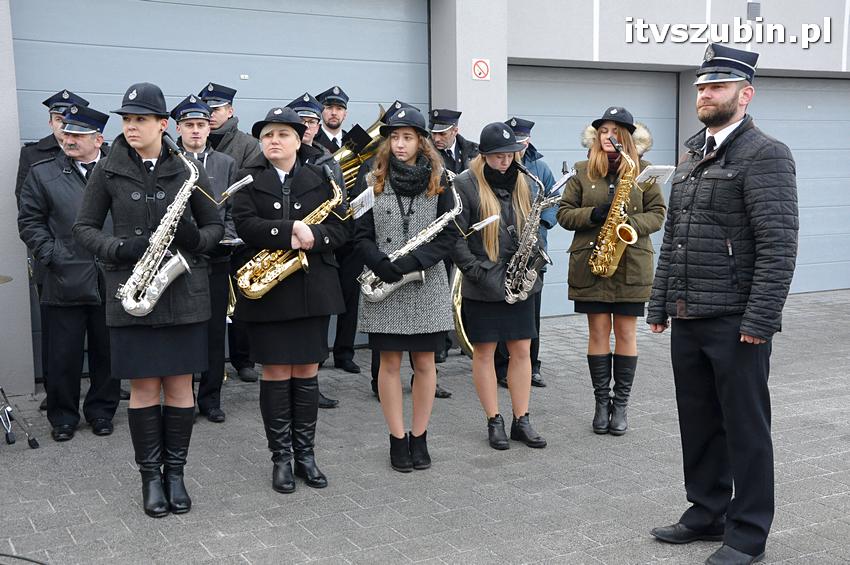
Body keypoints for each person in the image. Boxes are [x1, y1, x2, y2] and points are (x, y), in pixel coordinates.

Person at [647, 44, 798, 565]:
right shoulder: (692, 158)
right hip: (689, 314)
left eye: (716, 87)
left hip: (737, 321)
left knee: (746, 427)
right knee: (699, 420)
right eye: (701, 87)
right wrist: (660, 303)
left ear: (744, 94)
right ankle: (707, 511)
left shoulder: (766, 154)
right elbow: (675, 239)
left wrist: (761, 319)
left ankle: (748, 532)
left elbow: (779, 244)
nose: (705, 94)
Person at [73, 82, 224, 518]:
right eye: (126, 119)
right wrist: (119, 249)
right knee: (143, 388)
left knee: (179, 386)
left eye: (140, 119)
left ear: (163, 124)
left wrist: (194, 239)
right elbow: (83, 229)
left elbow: (215, 227)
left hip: (183, 293)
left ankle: (176, 474)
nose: (131, 126)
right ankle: (150, 478)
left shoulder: (189, 168)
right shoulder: (107, 169)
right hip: (133, 290)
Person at [231, 107, 348, 494]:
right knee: (277, 374)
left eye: (283, 134)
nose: (274, 141)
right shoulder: (248, 179)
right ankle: (281, 458)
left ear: (299, 140)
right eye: (267, 135)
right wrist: (289, 230)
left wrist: (317, 236)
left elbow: (343, 227)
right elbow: (245, 225)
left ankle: (306, 456)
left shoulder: (322, 177)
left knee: (307, 374)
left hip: (313, 290)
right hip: (270, 294)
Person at [355, 107, 457, 472]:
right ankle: (397, 439)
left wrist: (413, 263)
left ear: (421, 141)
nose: (399, 144)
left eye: (407, 137)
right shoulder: (370, 181)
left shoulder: (443, 181)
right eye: (394, 137)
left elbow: (449, 234)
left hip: (425, 283)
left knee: (426, 363)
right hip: (383, 282)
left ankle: (420, 436)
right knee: (389, 363)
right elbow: (360, 234)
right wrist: (381, 262)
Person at [556, 107, 665, 435]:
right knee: (598, 332)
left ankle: (621, 406)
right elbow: (563, 215)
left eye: (617, 131)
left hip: (631, 264)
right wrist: (595, 214)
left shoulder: (644, 172)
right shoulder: (581, 171)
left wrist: (628, 222)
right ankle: (601, 404)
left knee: (628, 333)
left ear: (627, 138)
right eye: (604, 131)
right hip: (594, 263)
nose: (609, 137)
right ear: (596, 136)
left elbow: (658, 214)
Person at [18, 104, 120, 441]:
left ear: (98, 139)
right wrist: (52, 255)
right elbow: (30, 221)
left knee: (108, 351)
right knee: (63, 354)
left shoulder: (117, 172)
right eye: (67, 132)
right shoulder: (42, 172)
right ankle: (62, 417)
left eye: (77, 135)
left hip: (110, 276)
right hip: (64, 277)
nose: (68, 139)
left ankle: (102, 412)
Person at [451, 122, 547, 451]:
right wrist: (478, 272)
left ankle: (522, 419)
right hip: (483, 282)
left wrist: (530, 262)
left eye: (509, 155)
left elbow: (531, 229)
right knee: (486, 353)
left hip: (518, 281)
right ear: (483, 155)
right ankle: (494, 420)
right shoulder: (465, 183)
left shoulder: (526, 182)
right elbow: (456, 237)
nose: (504, 162)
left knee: (522, 351)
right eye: (496, 157)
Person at [171, 95, 238, 423]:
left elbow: (233, 210)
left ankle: (211, 398)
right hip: (181, 257)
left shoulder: (225, 163)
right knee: (184, 328)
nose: (196, 131)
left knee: (214, 330)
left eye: (201, 125)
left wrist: (224, 233)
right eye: (189, 125)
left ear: (210, 128)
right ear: (178, 128)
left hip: (215, 257)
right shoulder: (171, 162)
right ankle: (182, 395)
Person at [287, 93, 350, 406]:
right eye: (303, 121)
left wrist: (321, 235)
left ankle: (311, 387)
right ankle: (283, 386)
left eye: (312, 121)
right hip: (284, 250)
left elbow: (342, 209)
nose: (308, 127)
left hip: (317, 252)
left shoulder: (327, 162)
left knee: (316, 327)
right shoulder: (280, 158)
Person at [198, 81, 262, 383]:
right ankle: (203, 362)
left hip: (237, 237)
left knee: (241, 301)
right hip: (201, 240)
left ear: (230, 110)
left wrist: (232, 231)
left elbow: (246, 193)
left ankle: (243, 359)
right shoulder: (193, 140)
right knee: (202, 304)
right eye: (206, 110)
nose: (211, 115)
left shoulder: (247, 144)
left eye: (216, 110)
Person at [496, 117, 561, 389]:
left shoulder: (540, 168)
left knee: (530, 316)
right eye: (515, 142)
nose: (519, 148)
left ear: (529, 141)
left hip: (533, 251)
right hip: (504, 252)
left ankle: (532, 367)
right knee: (501, 313)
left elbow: (555, 200)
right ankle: (501, 368)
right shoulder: (500, 166)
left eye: (523, 142)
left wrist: (543, 223)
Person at [428, 108, 479, 363]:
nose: (436, 138)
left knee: (468, 284)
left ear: (455, 131)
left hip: (468, 228)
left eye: (442, 133)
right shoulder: (427, 154)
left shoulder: (474, 150)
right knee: (440, 287)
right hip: (441, 227)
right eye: (434, 133)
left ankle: (467, 340)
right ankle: (441, 343)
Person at [16, 89, 89, 206]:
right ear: (50, 123)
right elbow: (24, 200)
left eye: (69, 118)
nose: (64, 125)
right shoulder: (31, 153)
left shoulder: (94, 150)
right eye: (58, 119)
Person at [313, 85, 349, 153]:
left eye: (339, 108)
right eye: (329, 108)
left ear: (345, 114)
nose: (334, 113)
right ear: (321, 112)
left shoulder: (353, 140)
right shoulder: (311, 139)